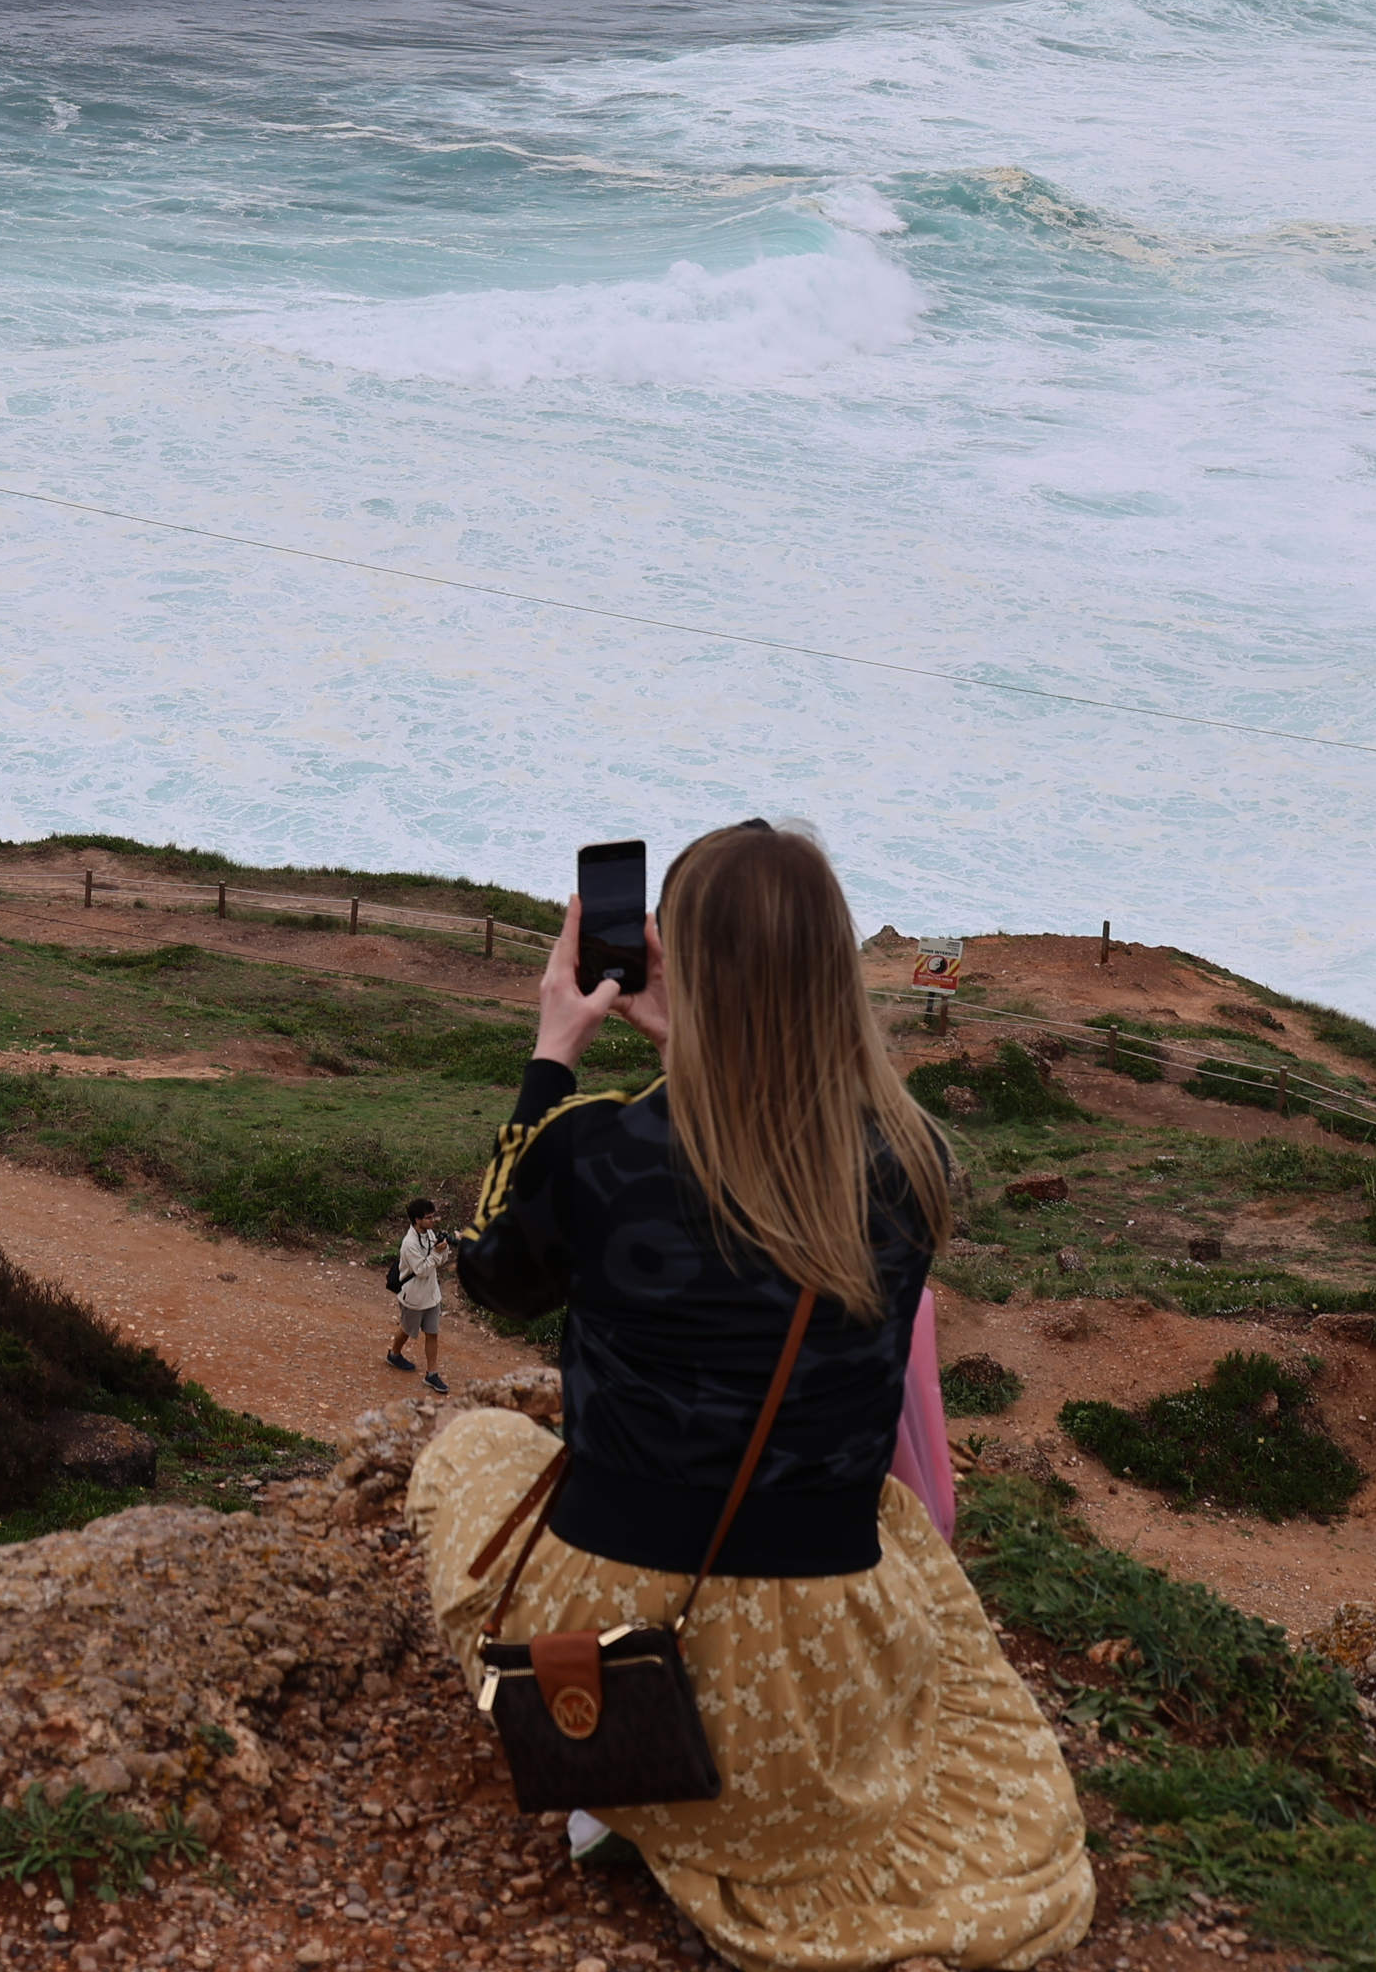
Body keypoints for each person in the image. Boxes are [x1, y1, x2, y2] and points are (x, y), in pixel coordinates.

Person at [405, 822, 1093, 1971]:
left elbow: (493, 1274)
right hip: (817, 1689)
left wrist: (552, 1052)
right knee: (895, 1527)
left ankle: (620, 1784)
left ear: (679, 963)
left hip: (612, 1632)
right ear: (832, 971)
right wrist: (708, 1046)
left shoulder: (597, 1152)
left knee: (471, 1448)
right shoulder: (915, 1166)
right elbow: (768, 1196)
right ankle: (675, 1803)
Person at [386, 1197, 453, 1394]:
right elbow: (422, 1269)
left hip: (431, 1295)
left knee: (432, 1333)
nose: (433, 1220)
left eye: (433, 1216)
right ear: (417, 1220)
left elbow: (442, 1260)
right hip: (413, 1297)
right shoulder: (409, 1244)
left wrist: (443, 1248)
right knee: (407, 1329)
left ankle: (432, 1374)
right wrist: (436, 1254)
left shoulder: (429, 1234)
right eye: (429, 1217)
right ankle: (394, 1354)